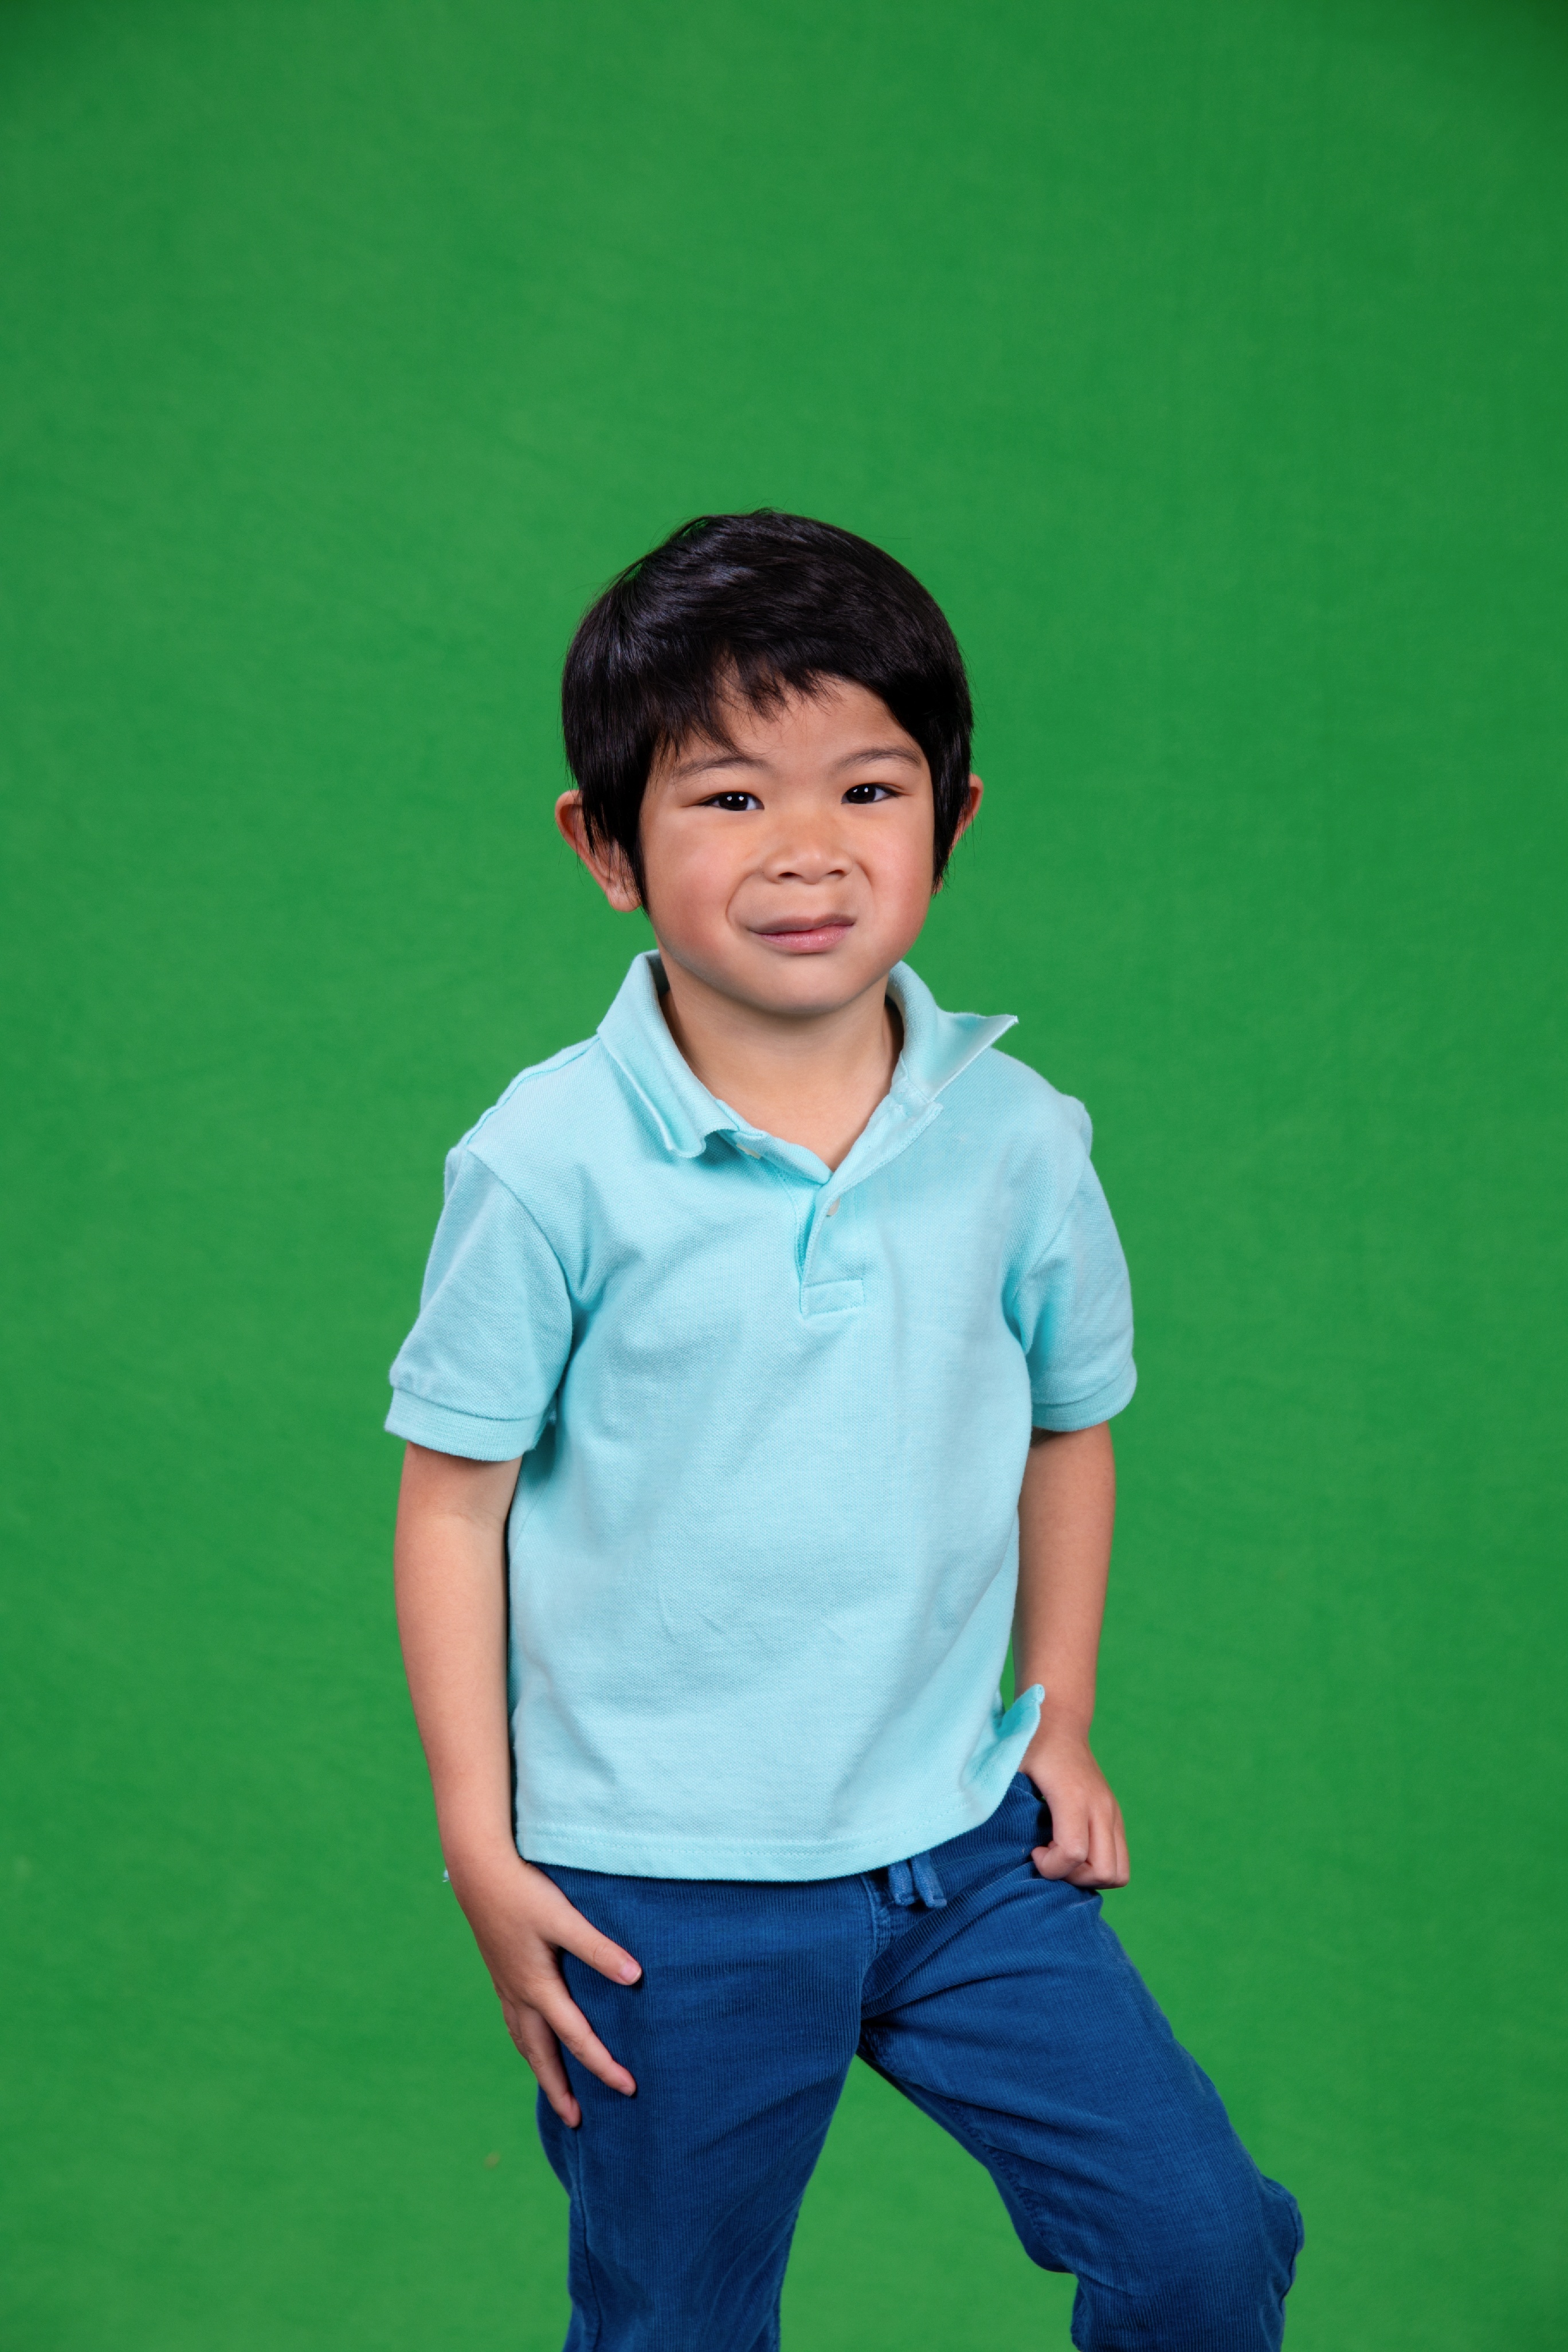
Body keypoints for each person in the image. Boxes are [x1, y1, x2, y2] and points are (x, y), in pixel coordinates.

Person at [387, 511, 1303, 2349]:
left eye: (868, 790)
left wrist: (1060, 1716)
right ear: (606, 848)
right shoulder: (548, 1161)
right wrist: (486, 1850)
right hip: (661, 1896)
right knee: (680, 2325)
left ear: (953, 818)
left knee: (1201, 2242)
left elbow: (1068, 1429)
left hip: (959, 1849)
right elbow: (451, 1510)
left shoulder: (1022, 1138)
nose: (807, 850)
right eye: (729, 798)